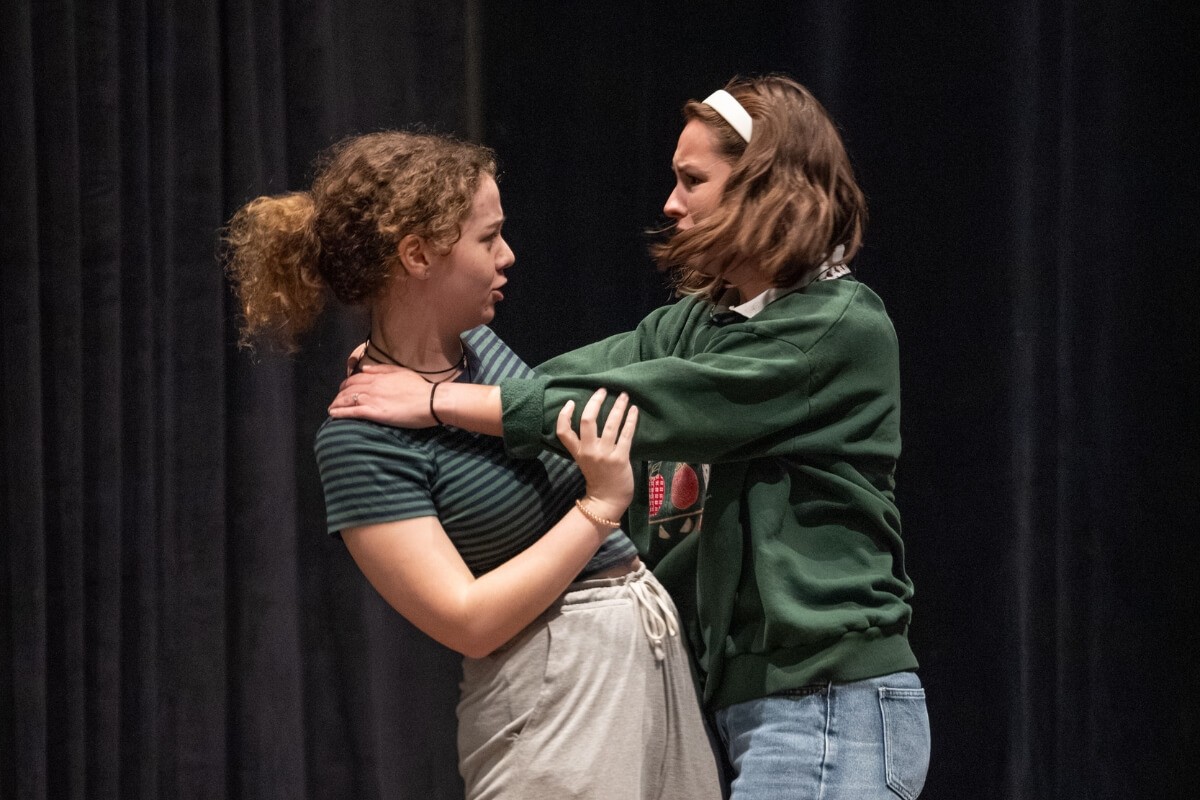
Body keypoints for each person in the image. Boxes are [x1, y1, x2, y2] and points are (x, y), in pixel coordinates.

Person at [329, 76, 932, 799]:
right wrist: (421, 379)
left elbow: (654, 404)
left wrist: (433, 397)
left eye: (692, 180)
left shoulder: (833, 328)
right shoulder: (696, 323)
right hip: (741, 702)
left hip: (830, 699)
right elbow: (568, 382)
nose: (672, 204)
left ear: (767, 188)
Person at [222, 130, 722, 799]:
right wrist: (599, 508)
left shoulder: (482, 355)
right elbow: (466, 617)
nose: (507, 256)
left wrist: (440, 400)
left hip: (637, 651)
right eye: (488, 239)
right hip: (553, 691)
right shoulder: (358, 439)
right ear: (418, 254)